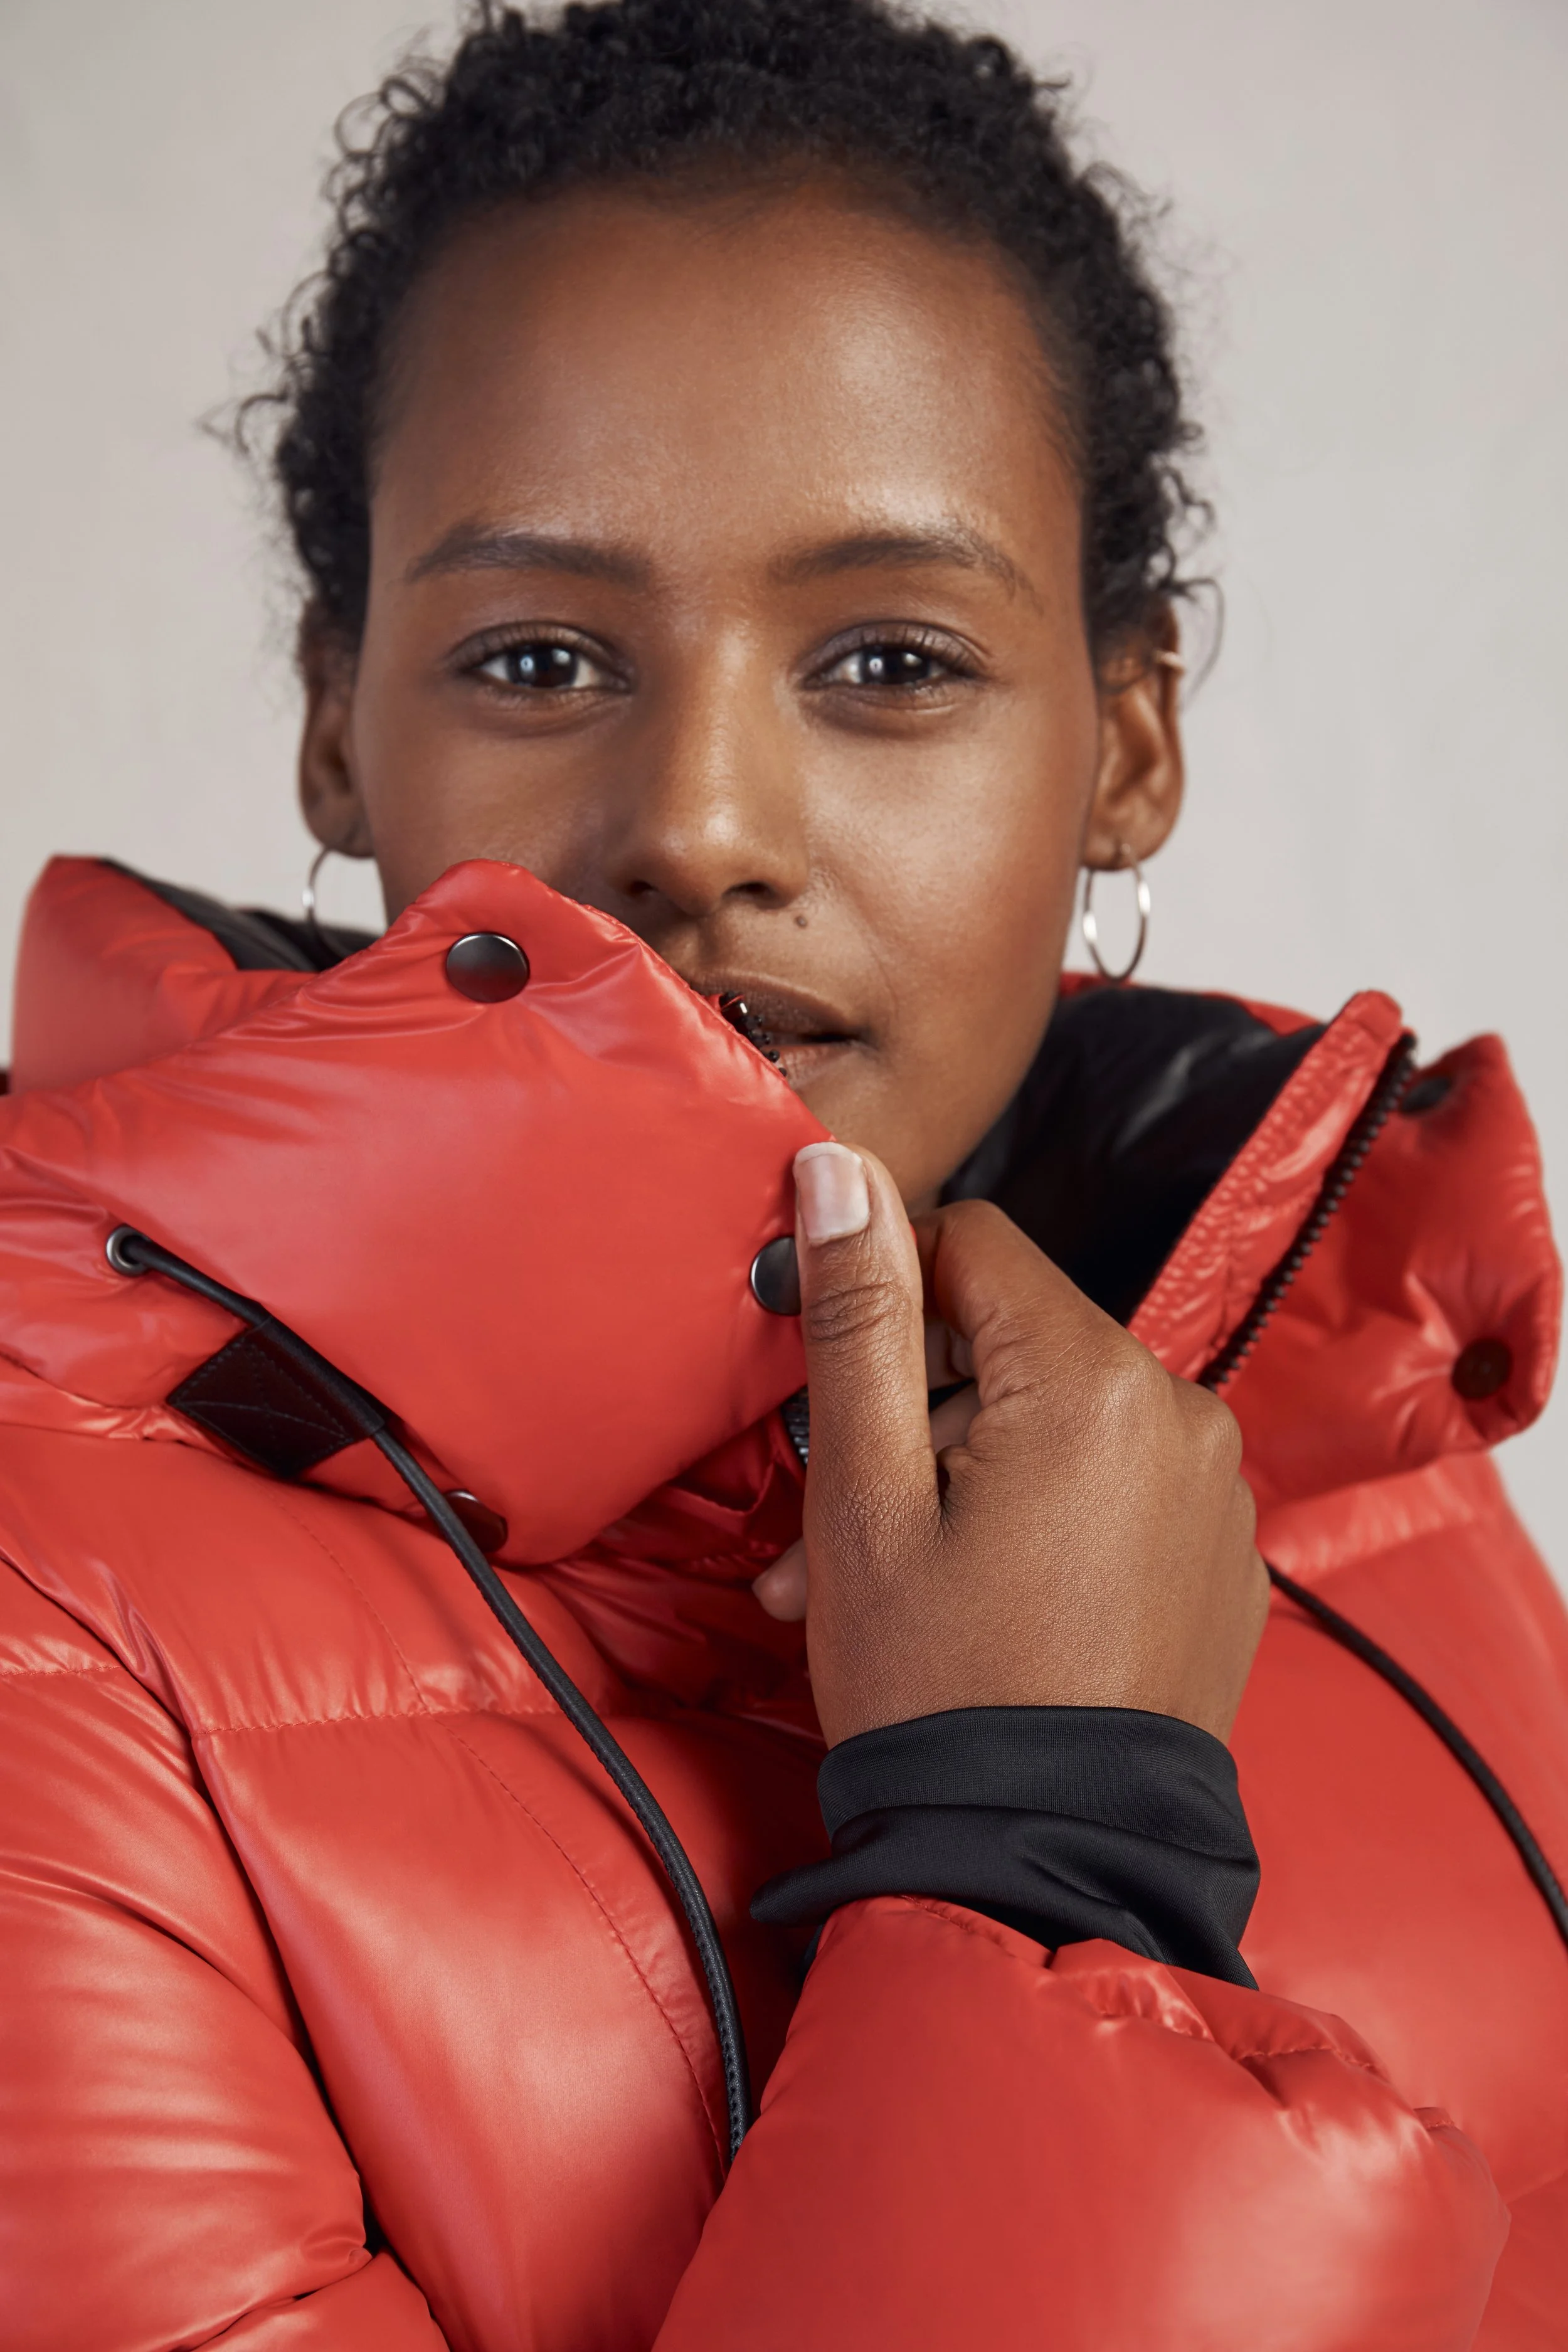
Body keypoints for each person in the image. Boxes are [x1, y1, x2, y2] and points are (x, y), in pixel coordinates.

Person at [1, 0, 1562, 2342]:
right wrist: (1041, 1830)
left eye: (887, 660)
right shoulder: (44, 1607)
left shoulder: (1346, 1443)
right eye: (535, 655)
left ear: (1126, 740)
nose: (702, 826)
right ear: (339, 719)